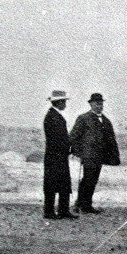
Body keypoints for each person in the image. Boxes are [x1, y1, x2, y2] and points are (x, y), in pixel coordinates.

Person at [69, 93, 120, 213]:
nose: (99, 105)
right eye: (97, 103)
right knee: (88, 179)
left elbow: (111, 138)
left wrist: (113, 156)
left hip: (100, 156)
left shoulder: (106, 120)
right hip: (88, 155)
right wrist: (78, 152)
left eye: (101, 103)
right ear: (91, 104)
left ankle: (83, 204)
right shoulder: (83, 118)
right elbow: (73, 136)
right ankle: (83, 205)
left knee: (92, 179)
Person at [42, 90, 77, 220]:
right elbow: (58, 138)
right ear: (59, 102)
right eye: (64, 101)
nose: (66, 104)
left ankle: (62, 210)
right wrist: (69, 147)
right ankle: (51, 211)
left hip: (55, 155)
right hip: (56, 156)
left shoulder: (52, 115)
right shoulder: (53, 117)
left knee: (61, 183)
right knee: (54, 184)